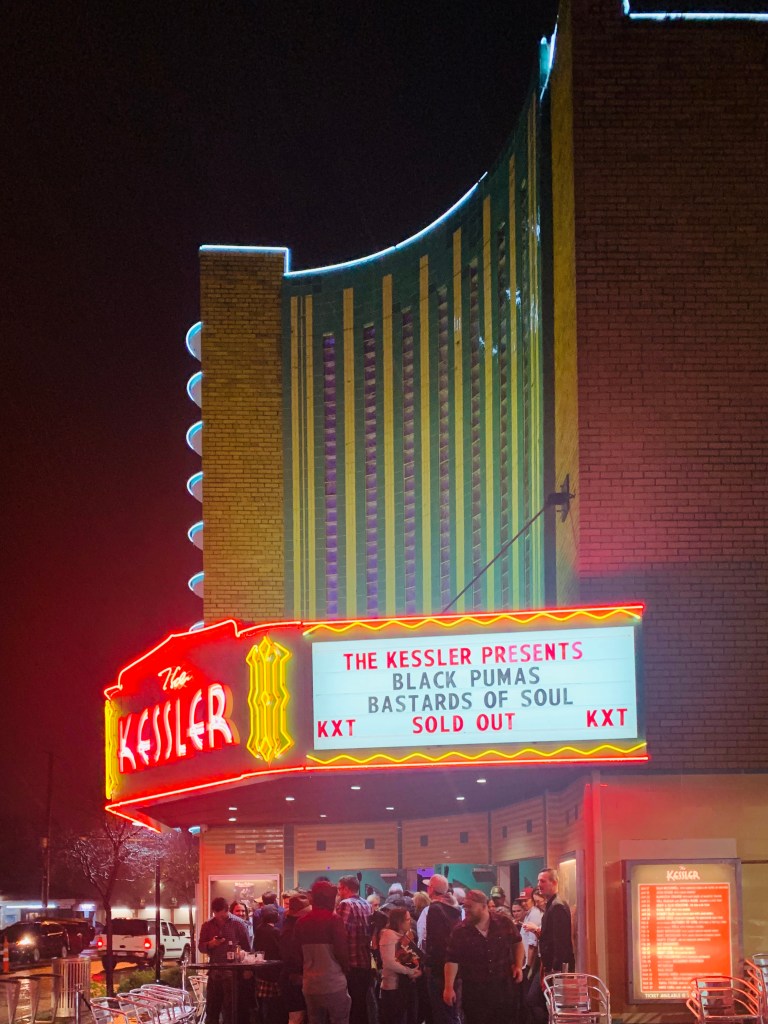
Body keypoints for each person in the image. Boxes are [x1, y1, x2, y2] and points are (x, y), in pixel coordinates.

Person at [443, 889, 523, 1024]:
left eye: (470, 906)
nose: (466, 910)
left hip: (503, 986)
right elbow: (451, 959)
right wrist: (448, 987)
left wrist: (518, 965)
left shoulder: (503, 922)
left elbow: (517, 943)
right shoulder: (460, 930)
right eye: (465, 906)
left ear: (484, 906)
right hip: (474, 991)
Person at [295, 880, 351, 1024]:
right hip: (333, 982)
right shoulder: (334, 920)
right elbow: (341, 952)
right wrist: (346, 970)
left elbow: (297, 955)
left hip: (310, 985)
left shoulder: (301, 922)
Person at [525, 869, 574, 1024]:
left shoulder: (557, 906)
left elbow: (561, 943)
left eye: (543, 881)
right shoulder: (553, 904)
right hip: (548, 965)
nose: (539, 885)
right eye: (538, 881)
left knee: (538, 1001)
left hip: (554, 967)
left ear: (554, 882)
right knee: (538, 1001)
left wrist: (555, 970)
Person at [199, 896, 252, 1024]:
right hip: (214, 970)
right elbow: (201, 947)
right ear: (213, 912)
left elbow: (247, 948)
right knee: (212, 1008)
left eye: (222, 916)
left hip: (232, 972)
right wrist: (211, 944)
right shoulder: (207, 925)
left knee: (230, 1009)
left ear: (227, 910)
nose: (219, 918)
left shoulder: (238, 924)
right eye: (217, 915)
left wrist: (247, 968)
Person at [417, 874, 461, 1024]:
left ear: (431, 889)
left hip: (438, 969)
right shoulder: (455, 907)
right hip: (454, 967)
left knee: (442, 1013)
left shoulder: (435, 909)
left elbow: (433, 941)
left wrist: (428, 963)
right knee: (452, 1012)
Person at [336, 874, 373, 1024]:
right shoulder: (366, 904)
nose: (338, 892)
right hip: (365, 961)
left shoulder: (346, 904)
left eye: (339, 888)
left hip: (351, 963)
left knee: (351, 1007)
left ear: (345, 888)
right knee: (361, 1005)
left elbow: (341, 934)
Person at [378, 907, 421, 1024]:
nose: (410, 922)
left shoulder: (405, 935)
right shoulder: (389, 935)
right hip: (394, 987)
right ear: (399, 922)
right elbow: (389, 962)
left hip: (406, 985)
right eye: (407, 919)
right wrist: (410, 971)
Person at [280, 894, 311, 1024]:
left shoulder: (290, 927)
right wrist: (299, 973)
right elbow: (291, 956)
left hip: (294, 978)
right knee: (297, 1017)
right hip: (294, 979)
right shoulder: (291, 930)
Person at [253, 905, 283, 1024]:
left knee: (262, 1003)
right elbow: (279, 950)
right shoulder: (275, 931)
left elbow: (256, 947)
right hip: (273, 971)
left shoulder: (259, 929)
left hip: (261, 970)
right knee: (273, 1005)